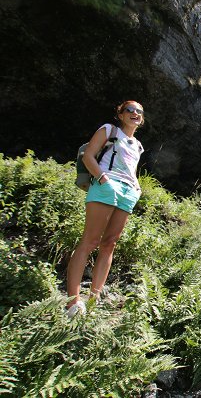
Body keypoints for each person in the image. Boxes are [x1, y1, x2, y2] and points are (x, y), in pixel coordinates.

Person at [66, 100, 145, 317]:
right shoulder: (109, 131)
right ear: (120, 114)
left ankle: (94, 299)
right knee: (90, 241)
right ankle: (73, 302)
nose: (135, 113)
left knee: (109, 244)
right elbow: (89, 155)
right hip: (106, 185)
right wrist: (102, 179)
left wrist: (137, 188)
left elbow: (130, 169)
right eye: (129, 110)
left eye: (139, 111)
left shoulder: (137, 145)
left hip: (128, 192)